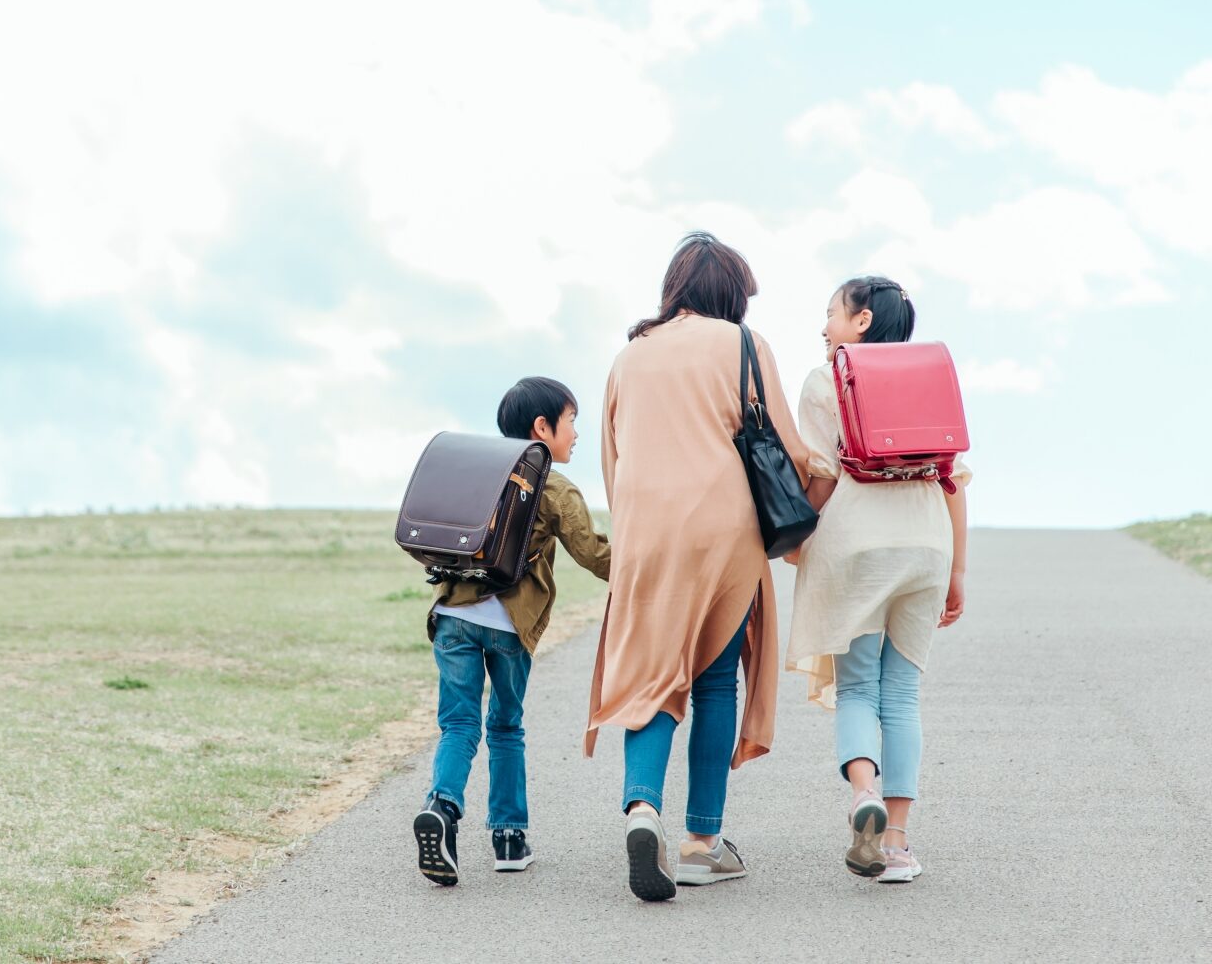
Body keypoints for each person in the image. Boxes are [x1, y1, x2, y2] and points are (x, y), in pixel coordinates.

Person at [585, 231, 808, 902]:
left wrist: (631, 537)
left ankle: (642, 810)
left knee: (651, 677)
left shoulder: (630, 355)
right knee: (714, 682)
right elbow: (788, 447)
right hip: (723, 530)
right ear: (732, 292)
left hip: (647, 527)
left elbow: (612, 458)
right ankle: (702, 843)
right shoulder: (744, 343)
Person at [786, 275, 971, 884]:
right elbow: (953, 482)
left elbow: (819, 474)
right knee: (905, 695)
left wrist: (796, 537)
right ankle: (896, 842)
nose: (824, 327)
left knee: (859, 688)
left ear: (861, 321)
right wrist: (958, 570)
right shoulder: (930, 380)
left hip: (856, 545)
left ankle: (862, 793)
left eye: (831, 313)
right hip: (926, 544)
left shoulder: (828, 379)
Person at [414, 377, 611, 886]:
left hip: (454, 616)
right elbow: (595, 556)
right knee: (505, 727)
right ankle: (509, 838)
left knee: (458, 726)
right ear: (542, 427)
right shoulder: (555, 486)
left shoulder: (479, 472)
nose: (576, 435)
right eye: (572, 422)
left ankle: (442, 807)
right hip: (508, 625)